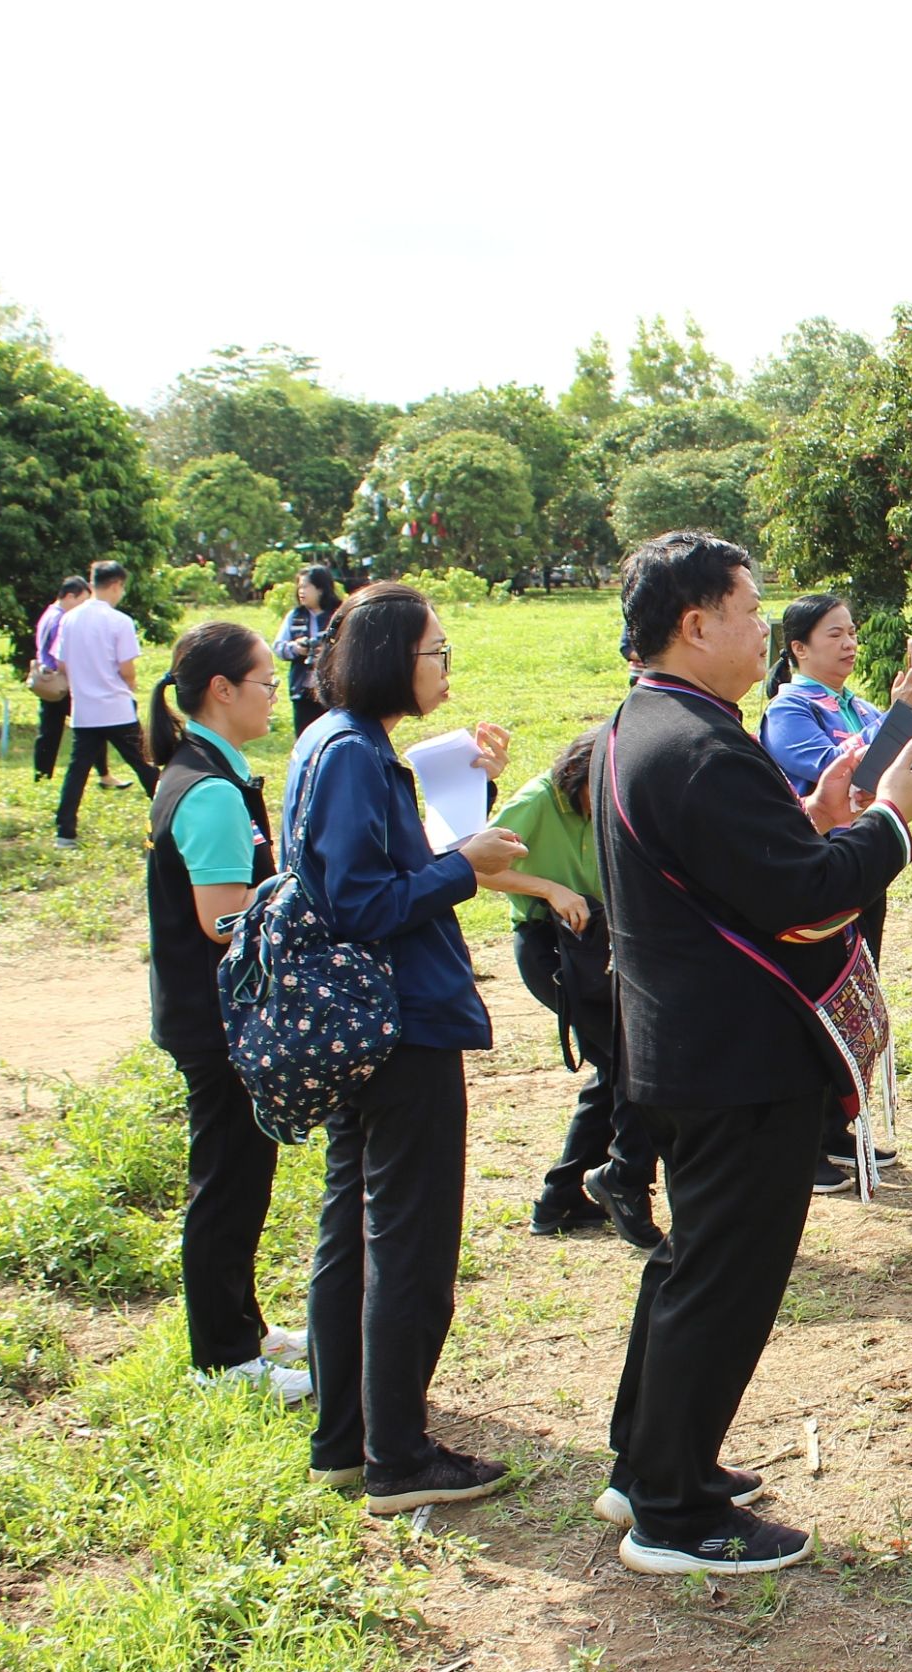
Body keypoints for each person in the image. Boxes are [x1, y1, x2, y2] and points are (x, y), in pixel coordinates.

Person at [595, 529, 912, 1575]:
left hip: (691, 1045)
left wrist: (809, 817)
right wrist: (890, 821)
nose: (762, 627)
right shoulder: (699, 744)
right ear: (695, 624)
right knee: (723, 1278)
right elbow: (800, 892)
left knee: (691, 1265)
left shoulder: (647, 725)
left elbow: (746, 863)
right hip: (737, 1057)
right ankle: (673, 1509)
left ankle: (649, 1459)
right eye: (749, 610)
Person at [287, 581, 526, 1515]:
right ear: (392, 655)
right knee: (408, 1241)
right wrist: (464, 870)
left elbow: (390, 860)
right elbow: (360, 904)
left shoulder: (336, 742)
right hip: (397, 1023)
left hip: (366, 1025)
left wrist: (473, 805)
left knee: (353, 1227)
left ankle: (347, 1440)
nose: (446, 670)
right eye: (438, 654)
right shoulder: (352, 753)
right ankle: (399, 1455)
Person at [142, 620, 311, 1401]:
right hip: (214, 1021)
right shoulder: (208, 788)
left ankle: (242, 1324)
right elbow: (221, 918)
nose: (275, 696)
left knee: (243, 1174)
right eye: (266, 683)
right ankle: (222, 1355)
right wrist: (301, 899)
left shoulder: (211, 771)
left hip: (213, 1014)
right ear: (222, 690)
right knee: (227, 1181)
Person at [759, 592, 912, 1195]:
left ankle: (840, 1128)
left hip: (865, 859)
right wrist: (898, 723)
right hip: (823, 864)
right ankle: (813, 1141)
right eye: (834, 635)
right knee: (823, 997)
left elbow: (897, 757)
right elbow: (848, 771)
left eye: (852, 632)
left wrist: (907, 720)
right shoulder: (790, 710)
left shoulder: (853, 702)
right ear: (798, 648)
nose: (850, 643)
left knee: (857, 992)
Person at [480, 726, 661, 1247]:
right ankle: (625, 1181)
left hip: (604, 940)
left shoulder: (612, 799)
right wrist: (548, 888)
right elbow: (478, 866)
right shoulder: (539, 800)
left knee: (614, 1070)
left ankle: (559, 1199)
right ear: (578, 777)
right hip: (552, 948)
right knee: (632, 1065)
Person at [53, 561, 159, 844]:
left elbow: (61, 664)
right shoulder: (119, 621)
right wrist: (129, 684)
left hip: (84, 711)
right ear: (116, 585)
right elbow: (127, 669)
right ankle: (169, 817)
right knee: (146, 766)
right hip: (117, 708)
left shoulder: (69, 619)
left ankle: (65, 833)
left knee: (77, 772)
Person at [30, 576, 99, 784]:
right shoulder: (61, 619)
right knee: (93, 726)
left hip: (47, 680)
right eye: (82, 601)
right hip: (60, 681)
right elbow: (61, 656)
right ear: (70, 596)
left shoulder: (48, 613)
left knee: (49, 731)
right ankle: (104, 773)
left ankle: (42, 775)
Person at [274, 564, 344, 737]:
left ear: (320, 588)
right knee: (305, 737)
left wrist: (329, 650)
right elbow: (278, 647)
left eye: (306, 586)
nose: (301, 591)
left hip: (334, 689)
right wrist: (296, 648)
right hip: (303, 691)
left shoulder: (340, 613)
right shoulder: (295, 615)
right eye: (299, 587)